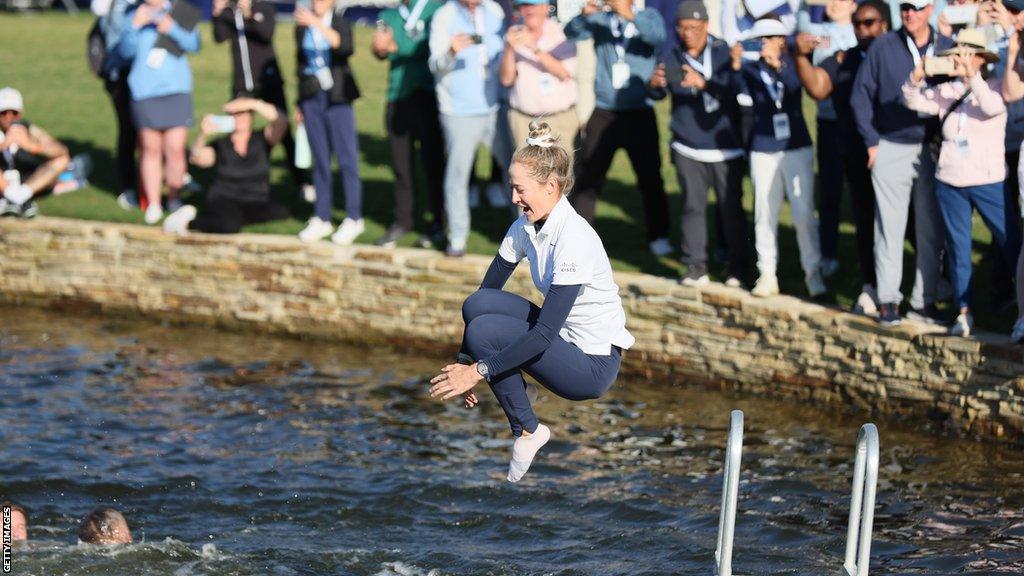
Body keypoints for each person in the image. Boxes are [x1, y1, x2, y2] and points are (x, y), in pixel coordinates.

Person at [429, 122, 634, 483]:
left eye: (520, 189)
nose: (513, 198)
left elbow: (541, 335)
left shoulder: (574, 240)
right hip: (562, 342)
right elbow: (486, 292)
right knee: (477, 307)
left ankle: (528, 430)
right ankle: (521, 391)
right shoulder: (526, 225)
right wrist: (465, 362)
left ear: (551, 187)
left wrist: (476, 372)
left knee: (486, 331)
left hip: (591, 365)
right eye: (512, 187)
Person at [903, 29, 1018, 336]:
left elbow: (992, 107)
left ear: (980, 58)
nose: (960, 59)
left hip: (989, 181)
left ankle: (1021, 310)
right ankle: (964, 311)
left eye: (968, 54)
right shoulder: (947, 91)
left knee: (1012, 244)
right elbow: (913, 101)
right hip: (950, 180)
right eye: (958, 53)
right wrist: (916, 76)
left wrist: (971, 78)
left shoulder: (994, 88)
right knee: (958, 247)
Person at [850, 0, 953, 326]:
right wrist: (871, 142)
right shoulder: (884, 45)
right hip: (891, 144)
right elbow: (860, 96)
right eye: (905, 7)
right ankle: (888, 299)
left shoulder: (946, 46)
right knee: (889, 227)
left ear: (930, 9)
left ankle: (924, 302)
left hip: (933, 147)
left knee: (929, 230)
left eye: (917, 7)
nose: (910, 13)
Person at [794, 0, 891, 315]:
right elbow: (819, 88)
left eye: (870, 22)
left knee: (909, 224)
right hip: (857, 153)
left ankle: (922, 286)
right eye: (859, 24)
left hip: (899, 151)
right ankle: (871, 284)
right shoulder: (846, 58)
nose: (863, 29)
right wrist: (801, 56)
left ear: (885, 24)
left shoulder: (898, 54)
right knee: (865, 219)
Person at [649, 0, 748, 287]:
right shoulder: (672, 55)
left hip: (725, 145)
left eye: (693, 28)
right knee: (693, 206)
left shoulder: (723, 53)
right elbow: (659, 96)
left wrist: (704, 83)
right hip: (688, 145)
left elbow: (736, 92)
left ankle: (738, 268)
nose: (687, 33)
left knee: (731, 209)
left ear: (706, 25)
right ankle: (695, 266)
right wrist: (654, 85)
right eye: (681, 28)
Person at [565, 0, 673, 256]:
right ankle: (580, 240)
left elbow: (657, 36)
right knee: (589, 176)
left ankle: (659, 236)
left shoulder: (649, 15)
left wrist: (627, 13)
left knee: (650, 179)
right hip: (604, 109)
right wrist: (584, 15)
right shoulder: (601, 19)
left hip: (639, 110)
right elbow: (571, 32)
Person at [734, 18, 826, 298]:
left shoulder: (795, 65)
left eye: (771, 38)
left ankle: (813, 273)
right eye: (760, 40)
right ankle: (767, 273)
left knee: (803, 213)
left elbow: (799, 89)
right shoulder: (750, 70)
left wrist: (779, 66)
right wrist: (736, 64)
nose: (765, 45)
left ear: (782, 40)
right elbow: (737, 94)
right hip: (763, 147)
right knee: (764, 211)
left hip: (795, 145)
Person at [429, 0, 510, 257]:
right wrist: (451, 52)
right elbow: (435, 65)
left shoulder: (495, 12)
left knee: (517, 173)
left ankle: (528, 238)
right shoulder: (444, 16)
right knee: (457, 176)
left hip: (495, 106)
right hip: (458, 112)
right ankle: (457, 237)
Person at [212, 0, 308, 198]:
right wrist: (218, 12)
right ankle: (238, 177)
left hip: (268, 82)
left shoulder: (264, 9)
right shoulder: (230, 13)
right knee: (238, 130)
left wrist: (250, 15)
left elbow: (266, 34)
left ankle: (303, 181)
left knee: (283, 130)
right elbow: (219, 37)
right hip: (242, 84)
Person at [372, 0, 448, 249]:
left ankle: (438, 222)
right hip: (398, 96)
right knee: (401, 166)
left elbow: (433, 48)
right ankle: (403, 220)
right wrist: (380, 48)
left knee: (433, 165)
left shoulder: (436, 10)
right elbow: (381, 49)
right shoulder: (388, 14)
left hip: (428, 96)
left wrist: (397, 46)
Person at [118, 0, 201, 225]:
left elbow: (194, 44)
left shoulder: (179, 12)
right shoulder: (134, 15)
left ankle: (174, 199)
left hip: (176, 89)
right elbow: (124, 52)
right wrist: (135, 25)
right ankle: (153, 203)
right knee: (150, 149)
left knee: (175, 150)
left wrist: (171, 28)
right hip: (145, 91)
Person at [163, 98, 290, 235]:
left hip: (255, 199)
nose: (238, 117)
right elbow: (197, 158)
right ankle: (186, 222)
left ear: (251, 116)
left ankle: (228, 218)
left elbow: (281, 121)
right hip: (225, 197)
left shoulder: (261, 139)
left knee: (282, 212)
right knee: (230, 226)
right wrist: (203, 135)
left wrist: (254, 103)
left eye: (242, 113)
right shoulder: (221, 144)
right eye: (234, 114)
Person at [294, 0, 365, 245]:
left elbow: (344, 47)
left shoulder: (339, 22)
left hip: (337, 98)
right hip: (312, 97)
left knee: (347, 159)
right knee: (320, 159)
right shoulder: (301, 26)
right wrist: (299, 102)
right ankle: (321, 216)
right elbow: (300, 64)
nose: (316, 3)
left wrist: (317, 23)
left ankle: (353, 216)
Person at [797, 0, 858, 278]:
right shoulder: (816, 30)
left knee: (859, 191)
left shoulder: (861, 30)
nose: (833, 3)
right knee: (830, 190)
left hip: (856, 123)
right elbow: (798, 26)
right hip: (828, 120)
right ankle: (828, 253)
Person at [499, 0, 579, 159]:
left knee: (559, 177)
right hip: (524, 120)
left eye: (533, 4)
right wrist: (509, 48)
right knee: (527, 177)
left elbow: (564, 73)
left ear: (545, 7)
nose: (529, 10)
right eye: (524, 5)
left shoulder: (561, 32)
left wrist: (534, 48)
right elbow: (506, 79)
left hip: (558, 120)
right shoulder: (513, 34)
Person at [92, 0, 139, 210]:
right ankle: (128, 185)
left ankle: (172, 179)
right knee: (129, 131)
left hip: (157, 73)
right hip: (122, 74)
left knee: (159, 132)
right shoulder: (113, 5)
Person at [0, 87, 71, 219]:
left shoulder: (29, 129)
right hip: (3, 180)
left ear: (20, 113)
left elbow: (61, 151)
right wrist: (3, 145)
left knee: (61, 160)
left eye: (13, 113)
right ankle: (17, 199)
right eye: (3, 113)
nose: (9, 117)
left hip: (27, 180)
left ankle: (18, 197)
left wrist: (32, 146)